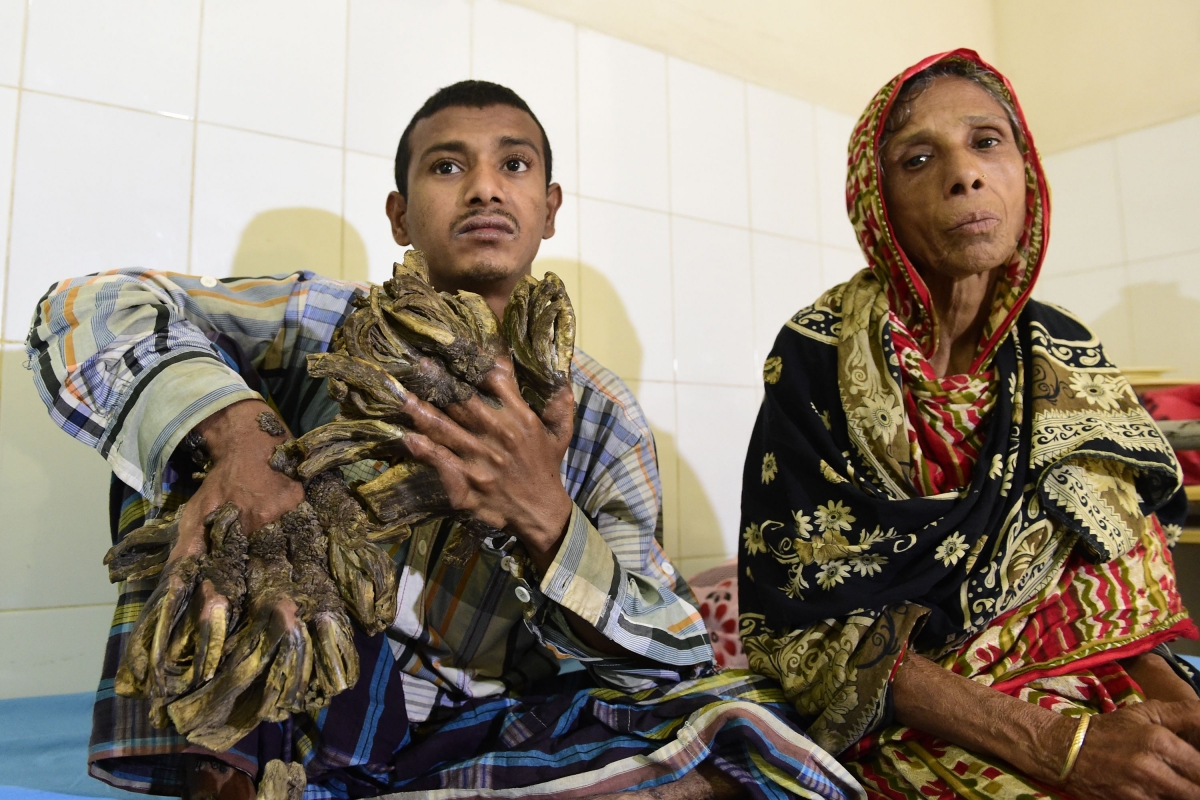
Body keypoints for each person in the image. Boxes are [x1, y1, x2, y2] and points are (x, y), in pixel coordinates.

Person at [28, 81, 861, 800]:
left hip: (468, 731)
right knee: (172, 438)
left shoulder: (601, 416)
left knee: (752, 728)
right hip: (279, 710)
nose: (485, 190)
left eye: (515, 165)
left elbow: (670, 649)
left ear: (550, 208)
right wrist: (240, 437)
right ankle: (224, 773)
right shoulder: (322, 321)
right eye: (448, 166)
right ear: (400, 215)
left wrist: (547, 521)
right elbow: (86, 308)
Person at [737, 49, 1200, 800]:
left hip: (1082, 679)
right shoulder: (816, 357)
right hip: (913, 714)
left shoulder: (1067, 356)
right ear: (875, 201)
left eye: (988, 142)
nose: (965, 174)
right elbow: (798, 621)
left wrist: (1177, 710)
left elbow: (1114, 585)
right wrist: (1058, 745)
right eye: (919, 158)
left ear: (1026, 170)